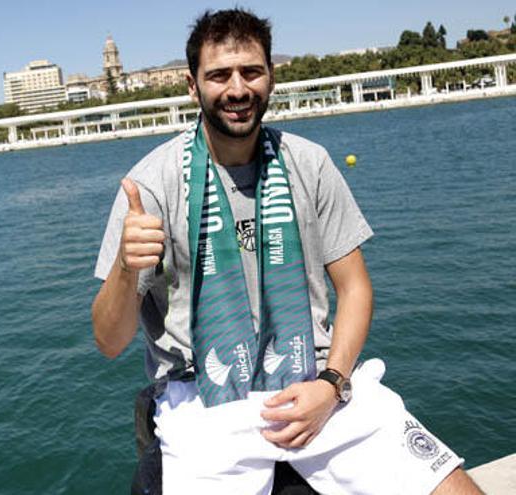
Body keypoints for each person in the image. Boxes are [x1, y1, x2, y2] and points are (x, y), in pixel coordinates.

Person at [91, 8, 482, 494]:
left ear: (271, 78)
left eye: (251, 71)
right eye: (218, 75)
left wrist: (331, 382)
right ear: (193, 87)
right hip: (204, 403)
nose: (237, 89)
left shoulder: (310, 164)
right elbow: (109, 342)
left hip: (315, 381)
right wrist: (127, 269)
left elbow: (355, 288)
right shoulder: (150, 187)